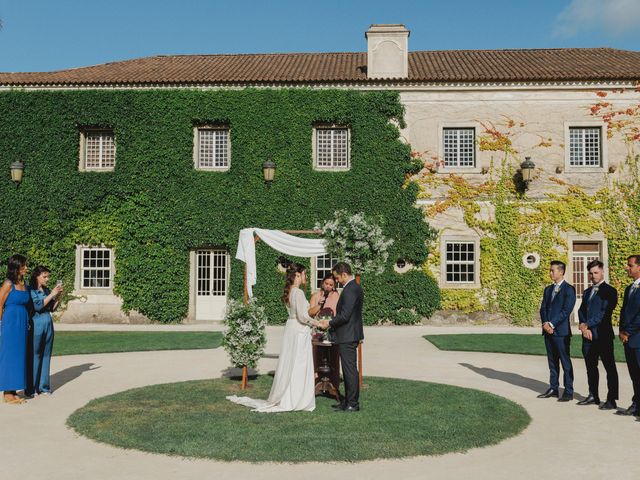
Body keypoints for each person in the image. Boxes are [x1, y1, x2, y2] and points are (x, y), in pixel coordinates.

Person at [227, 263, 318, 412]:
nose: (305, 277)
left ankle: (289, 395)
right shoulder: (299, 293)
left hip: (291, 328)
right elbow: (303, 316)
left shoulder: (290, 291)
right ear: (297, 275)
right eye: (304, 274)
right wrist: (317, 323)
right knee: (298, 363)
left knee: (290, 362)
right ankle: (296, 398)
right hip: (299, 330)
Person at [318, 262, 364, 412]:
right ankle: (347, 401)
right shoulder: (352, 287)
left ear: (344, 274)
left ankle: (352, 403)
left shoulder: (351, 289)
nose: (337, 281)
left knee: (349, 370)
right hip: (348, 334)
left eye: (338, 278)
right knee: (348, 369)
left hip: (348, 335)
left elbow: (345, 315)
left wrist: (329, 323)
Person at [577, 260, 618, 409]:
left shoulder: (610, 291)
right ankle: (593, 395)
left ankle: (612, 399)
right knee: (591, 367)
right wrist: (583, 326)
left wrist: (588, 324)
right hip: (587, 336)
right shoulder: (587, 292)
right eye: (591, 273)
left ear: (602, 272)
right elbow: (581, 311)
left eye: (596, 272)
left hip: (603, 336)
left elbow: (604, 313)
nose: (593, 276)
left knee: (609, 368)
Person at [538, 260, 576, 402]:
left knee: (565, 362)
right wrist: (545, 323)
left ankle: (568, 391)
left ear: (561, 272)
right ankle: (553, 388)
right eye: (550, 270)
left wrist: (552, 324)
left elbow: (566, 310)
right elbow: (543, 308)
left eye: (552, 270)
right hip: (547, 331)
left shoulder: (569, 289)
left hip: (561, 332)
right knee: (552, 362)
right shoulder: (548, 289)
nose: (550, 273)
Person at [26, 266, 63, 397]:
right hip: (36, 324)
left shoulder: (46, 289)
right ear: (37, 276)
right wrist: (52, 294)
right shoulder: (30, 289)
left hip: (48, 323)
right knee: (35, 355)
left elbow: (52, 308)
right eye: (45, 276)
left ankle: (44, 387)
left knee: (46, 355)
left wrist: (58, 296)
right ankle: (32, 388)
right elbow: (38, 306)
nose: (47, 279)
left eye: (48, 276)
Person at [0, 255, 30, 404]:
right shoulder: (8, 283)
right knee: (9, 356)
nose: (26, 268)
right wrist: (0, 324)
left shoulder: (22, 283)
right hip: (10, 323)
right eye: (23, 265)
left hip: (22, 323)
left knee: (19, 356)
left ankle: (13, 390)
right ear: (16, 267)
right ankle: (6, 393)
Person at [617, 254, 640, 417]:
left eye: (630, 265)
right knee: (634, 374)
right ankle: (637, 403)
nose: (627, 267)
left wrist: (628, 331)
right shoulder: (629, 288)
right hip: (628, 339)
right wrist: (621, 331)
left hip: (637, 338)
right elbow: (624, 312)